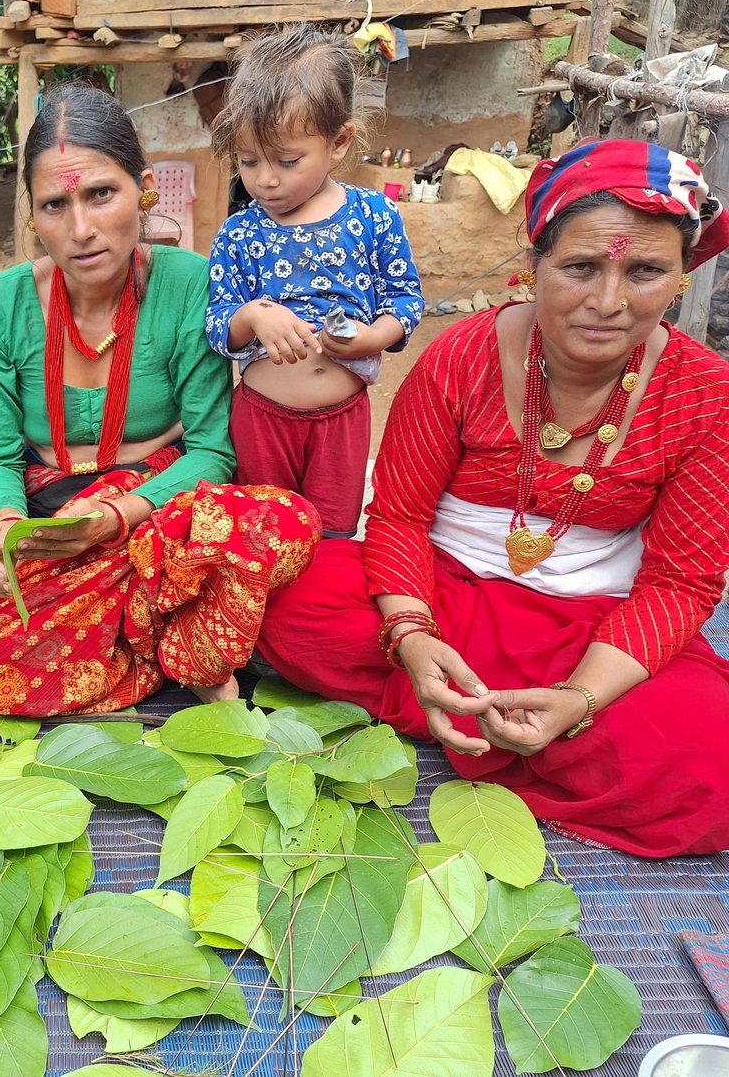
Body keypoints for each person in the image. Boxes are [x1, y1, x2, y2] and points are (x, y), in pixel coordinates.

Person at [256, 138, 729, 857]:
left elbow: (680, 582)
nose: (608, 301)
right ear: (534, 265)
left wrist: (580, 699)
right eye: (578, 267)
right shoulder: (463, 355)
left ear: (681, 280)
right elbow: (401, 518)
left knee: (711, 765)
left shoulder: (704, 395)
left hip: (588, 631)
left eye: (645, 271)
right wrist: (413, 639)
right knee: (286, 597)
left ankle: (498, 719)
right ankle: (485, 716)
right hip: (443, 592)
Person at [0, 86, 320, 724]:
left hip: (159, 519)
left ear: (142, 190)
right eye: (55, 205)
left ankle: (133, 629)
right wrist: (5, 525)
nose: (81, 230)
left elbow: (212, 450)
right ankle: (162, 637)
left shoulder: (189, 284)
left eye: (101, 194)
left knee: (283, 521)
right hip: (54, 531)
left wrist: (119, 515)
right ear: (33, 215)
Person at [205, 24, 424, 538]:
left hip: (340, 421)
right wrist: (254, 315)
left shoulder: (373, 215)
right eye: (248, 161)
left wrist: (374, 337)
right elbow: (217, 325)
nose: (265, 179)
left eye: (286, 160)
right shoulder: (240, 232)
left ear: (339, 141)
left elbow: (406, 300)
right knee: (262, 538)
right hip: (262, 421)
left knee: (331, 539)